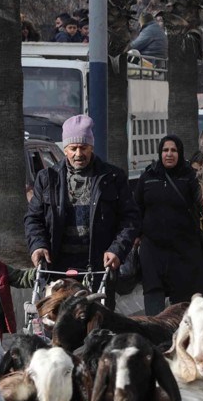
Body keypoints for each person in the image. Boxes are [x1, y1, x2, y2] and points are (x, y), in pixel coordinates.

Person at [26, 114, 139, 288]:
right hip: (58, 268)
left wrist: (117, 250)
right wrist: (38, 245)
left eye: (84, 147)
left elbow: (130, 219)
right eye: (73, 148)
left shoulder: (112, 177)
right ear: (65, 149)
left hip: (98, 268)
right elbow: (34, 218)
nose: (79, 154)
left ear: (91, 147)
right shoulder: (47, 178)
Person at [129, 134, 203, 315]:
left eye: (174, 150)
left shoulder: (190, 178)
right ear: (160, 153)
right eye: (165, 150)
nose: (169, 154)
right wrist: (135, 236)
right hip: (153, 252)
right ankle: (157, 341)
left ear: (180, 153)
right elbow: (135, 209)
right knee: (154, 308)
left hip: (184, 253)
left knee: (183, 310)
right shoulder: (148, 177)